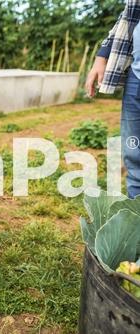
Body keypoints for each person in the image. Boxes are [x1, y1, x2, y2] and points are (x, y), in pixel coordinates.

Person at [85, 0, 140, 198]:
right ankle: (136, 222)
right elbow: (129, 15)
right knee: (134, 158)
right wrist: (102, 56)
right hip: (137, 77)